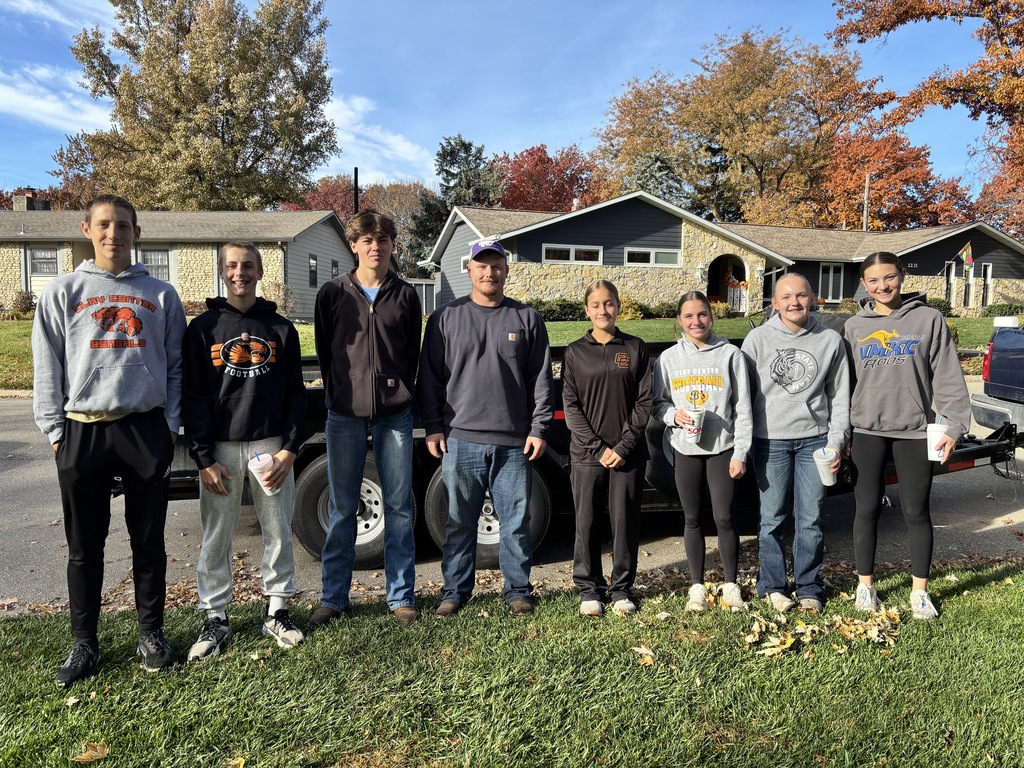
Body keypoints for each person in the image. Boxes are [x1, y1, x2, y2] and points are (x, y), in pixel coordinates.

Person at [32, 195, 186, 686]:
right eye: (103, 225)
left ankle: (150, 634)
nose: (112, 234)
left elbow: (177, 365)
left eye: (122, 226)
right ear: (86, 229)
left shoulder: (162, 295)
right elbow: (46, 366)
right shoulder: (62, 291)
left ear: (137, 232)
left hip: (145, 428)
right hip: (82, 428)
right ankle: (84, 643)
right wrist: (56, 431)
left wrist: (171, 426)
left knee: (148, 541)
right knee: (84, 545)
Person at [181, 242, 307, 659]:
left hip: (270, 443)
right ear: (221, 271)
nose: (240, 273)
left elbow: (295, 395)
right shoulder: (202, 329)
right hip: (220, 448)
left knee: (277, 527)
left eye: (248, 265)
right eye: (232, 266)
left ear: (259, 270)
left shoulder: (281, 328)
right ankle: (215, 616)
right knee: (216, 534)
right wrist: (203, 458)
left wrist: (289, 450)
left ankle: (277, 609)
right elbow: (194, 396)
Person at [418, 240, 555, 617]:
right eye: (481, 266)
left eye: (495, 265)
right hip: (460, 439)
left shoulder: (527, 319)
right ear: (469, 271)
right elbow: (429, 377)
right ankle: (455, 592)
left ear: (506, 270)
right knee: (459, 522)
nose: (488, 273)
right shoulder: (445, 318)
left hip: (513, 441)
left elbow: (541, 378)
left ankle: (517, 591)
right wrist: (433, 426)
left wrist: (539, 427)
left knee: (515, 524)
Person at [843, 252, 970, 619]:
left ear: (901, 275)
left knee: (916, 511)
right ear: (864, 285)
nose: (882, 286)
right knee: (866, 509)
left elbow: (947, 377)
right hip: (866, 430)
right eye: (873, 280)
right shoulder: (854, 327)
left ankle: (919, 592)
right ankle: (865, 586)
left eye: (889, 277)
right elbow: (844, 385)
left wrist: (954, 426)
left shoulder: (928, 320)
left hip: (915, 432)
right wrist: (843, 432)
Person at [311, 210, 422, 628]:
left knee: (398, 507)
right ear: (354, 245)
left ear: (393, 245)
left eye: (384, 240)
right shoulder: (332, 293)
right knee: (342, 508)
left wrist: (400, 390)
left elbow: (410, 353)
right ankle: (333, 597)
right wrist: (341, 390)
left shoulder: (407, 296)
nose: (376, 246)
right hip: (344, 414)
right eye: (368, 240)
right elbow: (326, 352)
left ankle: (400, 596)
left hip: (396, 414)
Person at [743, 274, 850, 613]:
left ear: (812, 298)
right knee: (772, 518)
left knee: (811, 519)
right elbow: (741, 397)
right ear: (774, 303)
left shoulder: (830, 340)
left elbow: (840, 396)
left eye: (801, 295)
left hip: (814, 443)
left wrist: (836, 442)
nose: (794, 302)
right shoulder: (757, 339)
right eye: (786, 297)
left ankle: (808, 586)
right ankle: (772, 586)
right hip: (769, 441)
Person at [652, 290, 751, 613]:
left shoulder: (730, 356)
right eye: (689, 316)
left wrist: (741, 452)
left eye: (702, 314)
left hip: (723, 448)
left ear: (712, 316)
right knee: (692, 518)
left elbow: (744, 409)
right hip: (685, 448)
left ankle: (731, 585)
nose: (697, 321)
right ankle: (697, 586)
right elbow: (658, 403)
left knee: (724, 517)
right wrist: (672, 416)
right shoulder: (668, 359)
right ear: (679, 321)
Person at [562, 280, 652, 617]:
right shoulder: (574, 352)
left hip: (628, 455)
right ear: (587, 310)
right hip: (587, 456)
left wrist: (624, 446)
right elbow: (571, 406)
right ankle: (589, 589)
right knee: (586, 522)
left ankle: (621, 590)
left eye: (609, 303)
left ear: (618, 307)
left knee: (625, 522)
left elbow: (645, 402)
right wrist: (598, 448)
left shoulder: (635, 347)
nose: (603, 310)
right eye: (596, 305)